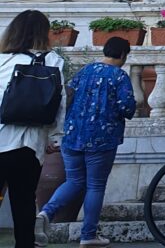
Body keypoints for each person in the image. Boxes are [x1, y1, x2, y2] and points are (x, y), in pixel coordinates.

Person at [35, 37, 135, 248]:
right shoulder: (119, 76)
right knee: (95, 186)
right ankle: (88, 234)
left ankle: (46, 212)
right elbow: (127, 108)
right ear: (123, 55)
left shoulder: (84, 71)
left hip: (72, 137)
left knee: (73, 181)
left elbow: (66, 97)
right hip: (102, 139)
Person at [0, 10, 65, 248]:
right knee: (24, 203)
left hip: (1, 139)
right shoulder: (53, 61)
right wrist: (54, 137)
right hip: (30, 145)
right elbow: (60, 103)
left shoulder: (2, 60)